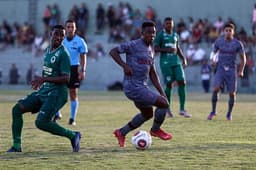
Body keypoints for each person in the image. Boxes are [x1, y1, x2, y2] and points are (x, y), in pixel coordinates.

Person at [7, 25, 81, 152]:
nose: (59, 37)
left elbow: (66, 78)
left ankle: (73, 135)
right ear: (50, 34)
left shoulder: (63, 54)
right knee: (17, 109)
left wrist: (44, 79)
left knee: (41, 122)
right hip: (44, 90)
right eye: (56, 34)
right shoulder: (47, 50)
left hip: (57, 93)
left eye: (62, 35)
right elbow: (49, 71)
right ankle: (16, 146)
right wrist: (41, 81)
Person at [109, 21, 172, 148]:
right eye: (149, 33)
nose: (152, 35)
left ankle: (121, 132)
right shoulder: (133, 45)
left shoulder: (151, 49)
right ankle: (155, 130)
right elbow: (113, 51)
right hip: (132, 87)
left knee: (148, 114)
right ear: (142, 33)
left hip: (141, 87)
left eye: (154, 33)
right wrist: (124, 65)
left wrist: (162, 93)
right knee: (164, 104)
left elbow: (153, 74)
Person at [207, 23, 246, 121]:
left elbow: (243, 58)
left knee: (232, 93)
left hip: (232, 70)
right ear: (223, 31)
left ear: (233, 32)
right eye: (226, 30)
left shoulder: (237, 44)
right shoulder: (219, 42)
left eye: (230, 30)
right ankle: (213, 111)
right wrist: (212, 60)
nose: (228, 32)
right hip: (220, 69)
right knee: (216, 88)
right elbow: (213, 52)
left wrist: (241, 70)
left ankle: (229, 114)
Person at [154, 17, 191, 118]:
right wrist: (166, 49)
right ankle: (167, 109)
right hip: (165, 63)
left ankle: (182, 109)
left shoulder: (175, 35)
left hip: (176, 62)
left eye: (170, 23)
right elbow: (155, 48)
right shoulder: (160, 35)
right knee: (169, 85)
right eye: (167, 24)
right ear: (164, 25)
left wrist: (183, 58)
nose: (169, 25)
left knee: (182, 81)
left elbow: (177, 48)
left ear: (173, 24)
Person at [54, 20, 88, 125]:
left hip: (74, 68)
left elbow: (83, 56)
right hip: (61, 69)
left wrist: (83, 70)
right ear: (65, 28)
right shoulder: (60, 40)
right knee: (56, 92)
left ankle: (72, 119)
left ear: (75, 28)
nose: (70, 29)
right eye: (68, 27)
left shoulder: (80, 41)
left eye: (72, 27)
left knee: (73, 94)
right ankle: (57, 113)